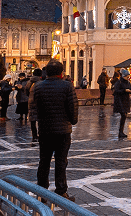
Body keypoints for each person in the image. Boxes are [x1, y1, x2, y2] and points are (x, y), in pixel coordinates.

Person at [30, 59, 78, 200]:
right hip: (63, 131)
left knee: (43, 161)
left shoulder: (38, 87)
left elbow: (35, 107)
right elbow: (73, 108)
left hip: (45, 130)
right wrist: (72, 121)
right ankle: (61, 191)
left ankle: (42, 192)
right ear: (61, 73)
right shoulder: (67, 86)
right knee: (61, 161)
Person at [111, 68, 131, 138]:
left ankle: (121, 131)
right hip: (120, 101)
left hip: (126, 100)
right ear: (124, 76)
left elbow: (130, 89)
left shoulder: (127, 82)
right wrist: (124, 90)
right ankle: (120, 132)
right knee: (123, 115)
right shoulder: (119, 82)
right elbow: (116, 91)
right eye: (127, 76)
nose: (128, 77)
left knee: (124, 116)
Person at [29, 68, 43, 141]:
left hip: (31, 101)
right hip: (40, 101)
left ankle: (34, 135)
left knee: (32, 120)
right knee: (41, 119)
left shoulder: (30, 81)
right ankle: (40, 134)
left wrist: (30, 96)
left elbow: (26, 89)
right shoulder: (41, 81)